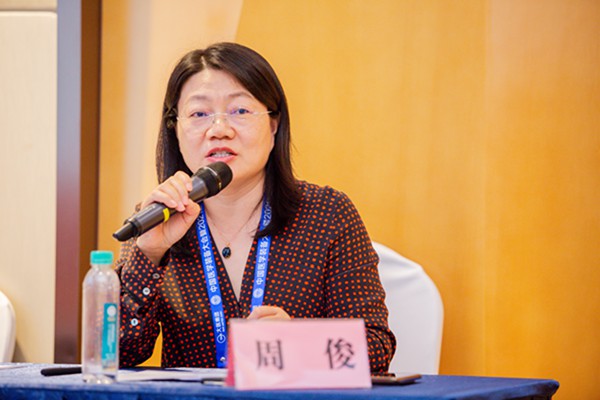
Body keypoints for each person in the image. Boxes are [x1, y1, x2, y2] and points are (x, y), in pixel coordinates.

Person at [116, 42, 396, 374]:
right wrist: (148, 254)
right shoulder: (157, 218)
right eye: (199, 114)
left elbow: (376, 349)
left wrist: (298, 344)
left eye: (240, 111)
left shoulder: (327, 215)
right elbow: (118, 353)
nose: (219, 130)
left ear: (274, 124)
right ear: (175, 129)